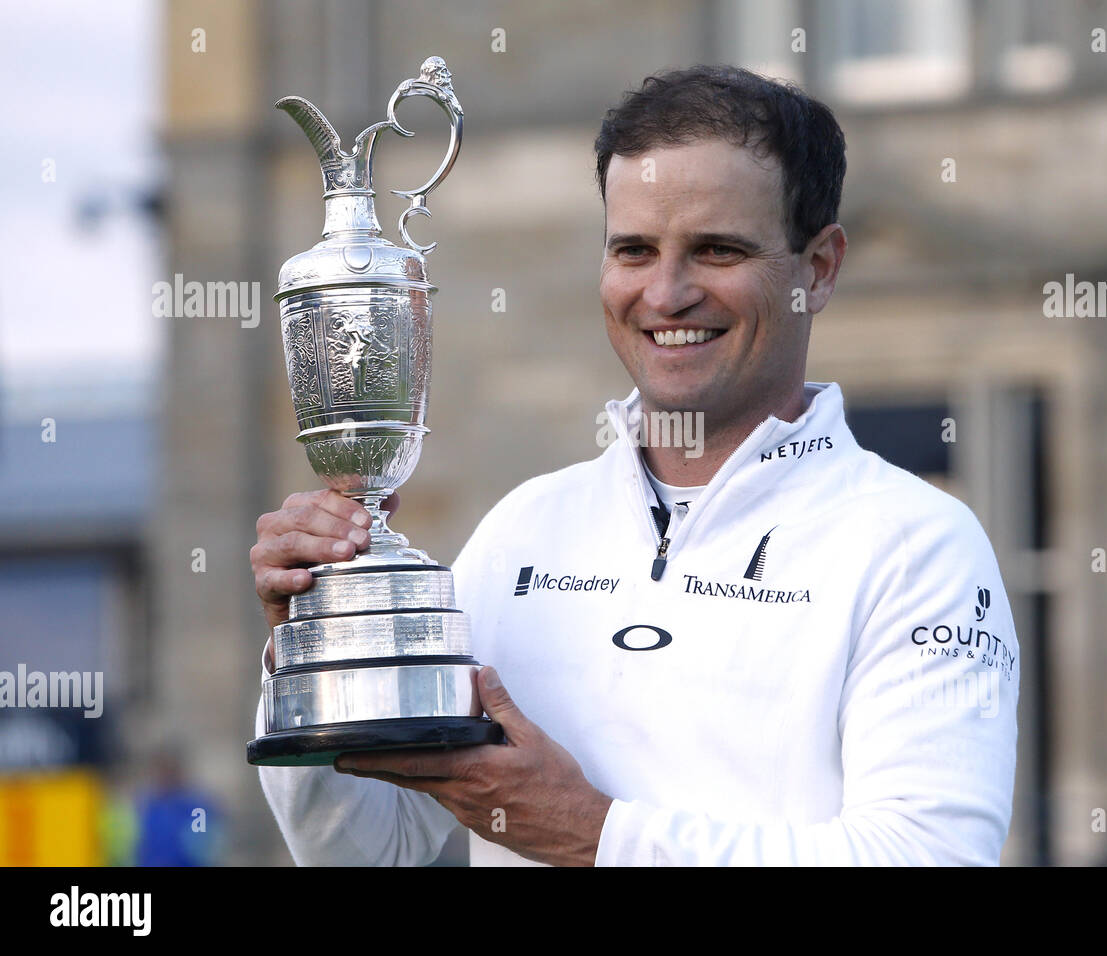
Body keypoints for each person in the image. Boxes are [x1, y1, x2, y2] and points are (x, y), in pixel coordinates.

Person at [250, 65, 1020, 866]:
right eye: (635, 250)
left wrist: (593, 834)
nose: (666, 293)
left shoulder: (918, 545)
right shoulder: (526, 526)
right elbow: (364, 853)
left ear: (817, 269)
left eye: (717, 250)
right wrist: (313, 641)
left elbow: (932, 857)